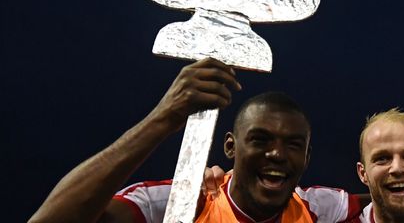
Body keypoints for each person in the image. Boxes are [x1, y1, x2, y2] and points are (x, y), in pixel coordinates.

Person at [29, 58, 364, 223]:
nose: (276, 153)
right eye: (260, 139)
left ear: (307, 156)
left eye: (293, 144)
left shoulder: (319, 209)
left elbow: (401, 201)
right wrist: (163, 118)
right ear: (230, 146)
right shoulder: (181, 203)